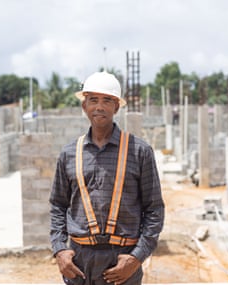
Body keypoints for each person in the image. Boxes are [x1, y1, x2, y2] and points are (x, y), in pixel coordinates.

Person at [49, 71, 165, 285]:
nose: (99, 107)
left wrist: (136, 257)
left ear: (117, 107)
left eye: (107, 101)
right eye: (93, 100)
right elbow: (58, 205)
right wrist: (60, 251)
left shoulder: (139, 151)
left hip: (122, 261)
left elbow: (154, 209)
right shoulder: (69, 153)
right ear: (84, 106)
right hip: (79, 262)